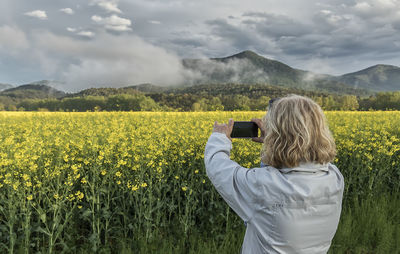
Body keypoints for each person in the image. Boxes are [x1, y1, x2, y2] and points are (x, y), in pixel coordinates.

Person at [204, 94, 344, 254]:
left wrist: (219, 138)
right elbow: (293, 170)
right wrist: (273, 142)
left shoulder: (263, 185)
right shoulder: (334, 177)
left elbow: (217, 167)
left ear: (278, 134)